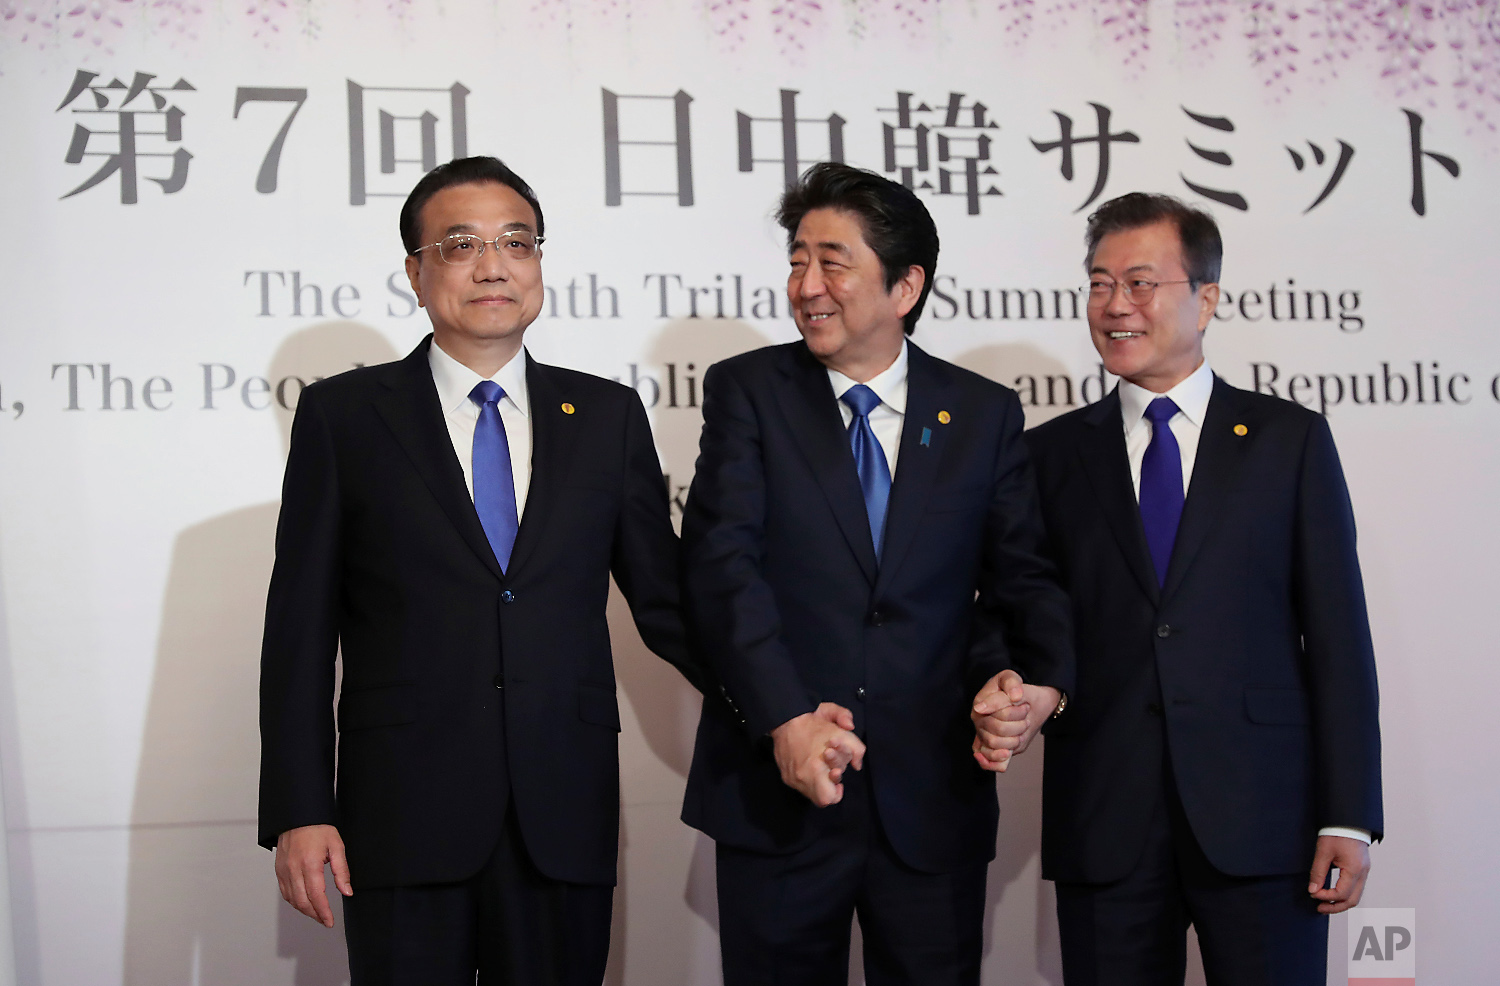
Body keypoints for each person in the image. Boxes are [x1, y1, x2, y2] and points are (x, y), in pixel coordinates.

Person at [257, 155, 704, 986]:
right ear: (416, 273)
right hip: (401, 811)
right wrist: (299, 808)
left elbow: (669, 603)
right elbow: (300, 631)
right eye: (461, 244)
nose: (494, 265)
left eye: (518, 242)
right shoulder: (345, 417)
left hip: (561, 807)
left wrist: (782, 702)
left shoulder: (605, 414)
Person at [679, 162, 1074, 986]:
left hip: (932, 797)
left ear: (905, 286)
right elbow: (722, 571)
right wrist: (786, 718)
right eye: (796, 260)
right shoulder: (749, 392)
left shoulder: (981, 414)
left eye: (832, 261)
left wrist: (1031, 683)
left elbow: (1018, 581)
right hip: (779, 790)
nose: (806, 285)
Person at [1025, 192, 1383, 986]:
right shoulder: (1047, 457)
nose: (1115, 305)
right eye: (1098, 283)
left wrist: (1348, 814)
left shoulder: (1288, 441)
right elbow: (1028, 616)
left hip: (1263, 816)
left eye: (1141, 283)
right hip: (1105, 814)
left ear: (1207, 297)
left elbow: (1337, 638)